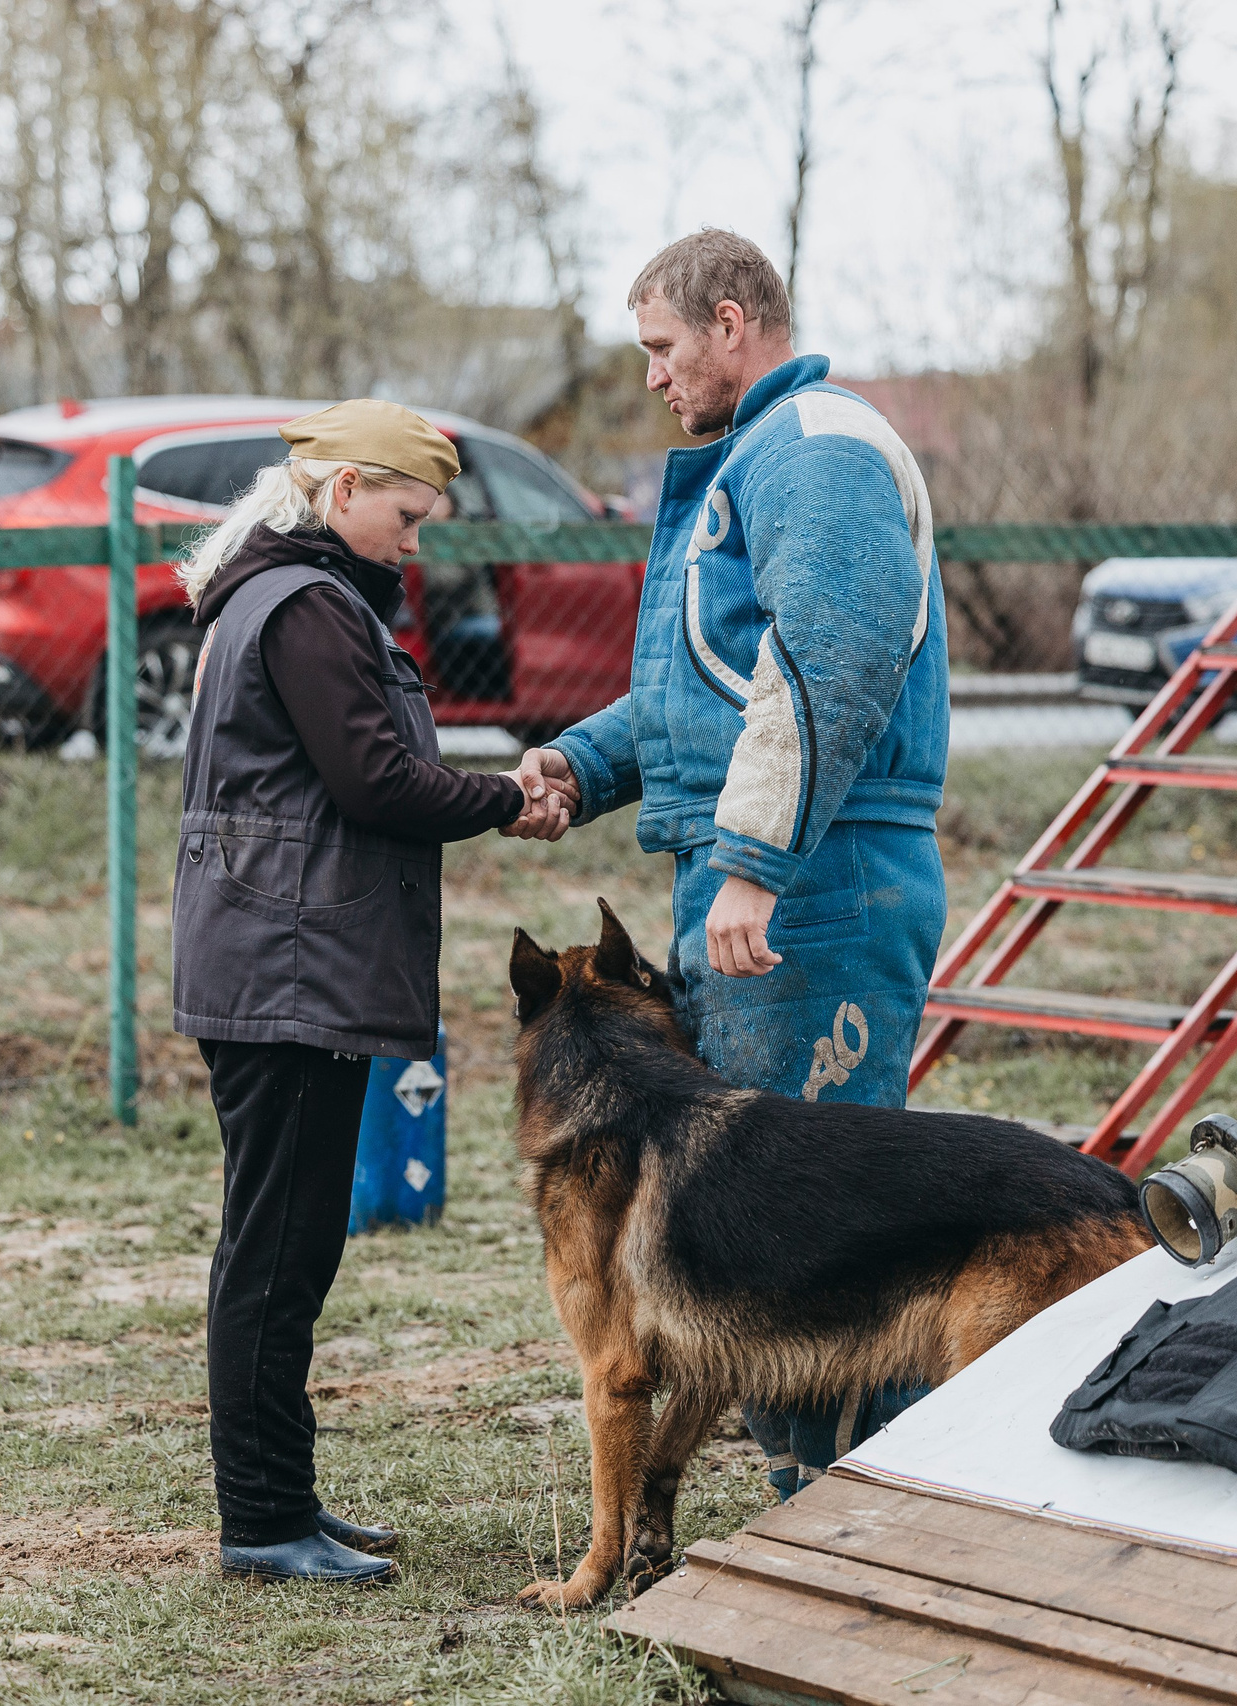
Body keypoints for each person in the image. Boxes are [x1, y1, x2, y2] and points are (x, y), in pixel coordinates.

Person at [516, 230, 951, 1496]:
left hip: (817, 876)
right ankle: (816, 1499)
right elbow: (709, 691)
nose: (651, 376)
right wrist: (579, 766)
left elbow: (829, 661)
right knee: (760, 1216)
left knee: (810, 1220)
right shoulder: (753, 457)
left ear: (726, 320)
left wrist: (756, 862)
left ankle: (859, 1507)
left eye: (660, 348)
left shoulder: (815, 451)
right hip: (761, 868)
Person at [171, 399, 569, 1584]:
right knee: (275, 1250)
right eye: (406, 514)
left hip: (285, 957)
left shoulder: (291, 591)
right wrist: (507, 796)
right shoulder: (303, 605)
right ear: (343, 491)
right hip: (287, 967)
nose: (417, 541)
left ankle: (286, 1500)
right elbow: (377, 780)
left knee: (288, 1245)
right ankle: (261, 1518)